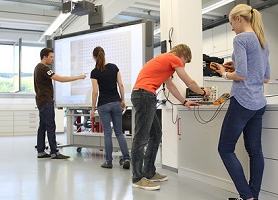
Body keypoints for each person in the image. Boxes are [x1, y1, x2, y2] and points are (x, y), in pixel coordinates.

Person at [131, 44, 211, 190]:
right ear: (183, 55)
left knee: (156, 135)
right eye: (186, 61)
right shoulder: (173, 58)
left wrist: (185, 101)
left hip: (144, 95)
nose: (184, 65)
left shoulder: (164, 60)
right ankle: (137, 178)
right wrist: (203, 92)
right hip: (144, 95)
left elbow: (170, 86)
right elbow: (189, 82)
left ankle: (149, 172)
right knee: (141, 138)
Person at [214, 4, 270, 200]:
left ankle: (247, 196)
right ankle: (252, 196)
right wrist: (236, 65)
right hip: (258, 104)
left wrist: (224, 72)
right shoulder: (263, 41)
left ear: (238, 18)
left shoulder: (241, 39)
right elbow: (265, 78)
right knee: (255, 151)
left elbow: (242, 75)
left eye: (231, 23)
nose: (231, 28)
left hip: (242, 102)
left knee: (225, 148)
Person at [34, 47, 86, 159]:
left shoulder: (37, 68)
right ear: (45, 57)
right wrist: (79, 77)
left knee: (42, 126)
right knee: (50, 126)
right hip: (46, 101)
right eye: (51, 57)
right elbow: (61, 79)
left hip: (41, 101)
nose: (52, 59)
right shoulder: (43, 68)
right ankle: (54, 152)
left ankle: (41, 151)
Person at [90, 46, 131, 169]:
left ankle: (108, 161)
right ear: (104, 54)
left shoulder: (95, 72)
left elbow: (95, 92)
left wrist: (93, 109)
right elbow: (121, 85)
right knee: (119, 132)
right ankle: (126, 158)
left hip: (103, 104)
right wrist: (123, 100)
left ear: (94, 57)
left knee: (107, 133)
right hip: (116, 102)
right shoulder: (114, 67)